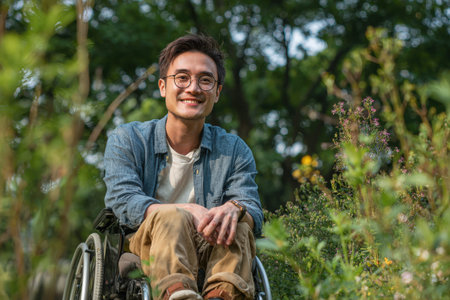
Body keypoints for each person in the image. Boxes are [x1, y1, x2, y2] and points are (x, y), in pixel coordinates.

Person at [103, 34, 263, 300]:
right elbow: (122, 199)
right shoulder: (127, 139)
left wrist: (234, 210)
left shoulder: (234, 149)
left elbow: (253, 209)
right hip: (148, 243)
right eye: (182, 78)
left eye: (205, 80)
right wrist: (183, 209)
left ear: (217, 92)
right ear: (163, 87)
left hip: (209, 247)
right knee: (172, 217)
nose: (193, 88)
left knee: (237, 225)